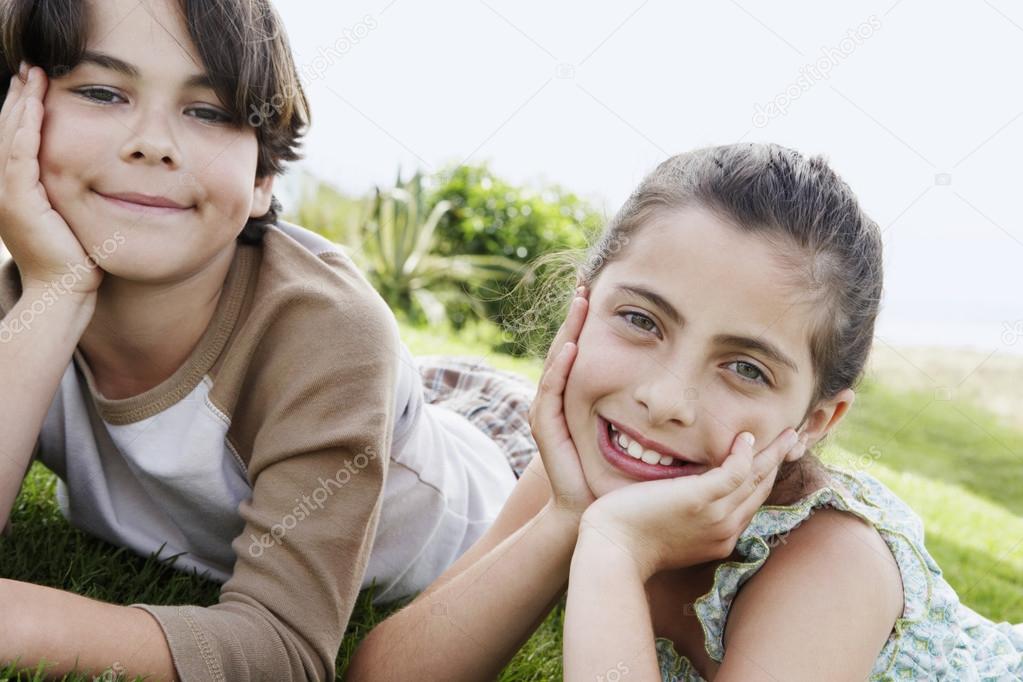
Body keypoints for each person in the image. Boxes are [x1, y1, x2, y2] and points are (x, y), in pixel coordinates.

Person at [0, 1, 535, 680]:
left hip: (497, 459)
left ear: (262, 177)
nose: (153, 142)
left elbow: (282, 650)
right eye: (103, 93)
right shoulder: (21, 304)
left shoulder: (327, 337)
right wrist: (54, 292)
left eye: (211, 112)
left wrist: (14, 622)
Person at [349, 143, 1023, 681]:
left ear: (813, 423)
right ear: (579, 309)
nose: (662, 400)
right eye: (640, 320)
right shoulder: (583, 470)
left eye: (744, 368)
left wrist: (614, 551)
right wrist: (564, 519)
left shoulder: (829, 563)